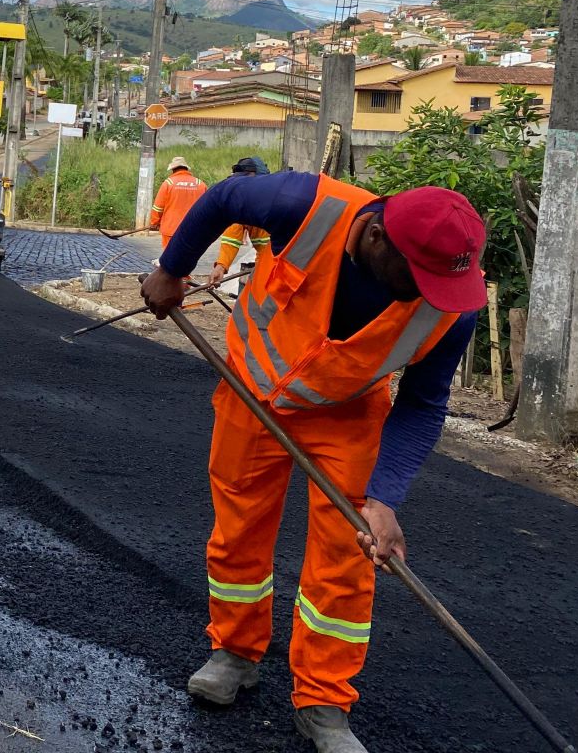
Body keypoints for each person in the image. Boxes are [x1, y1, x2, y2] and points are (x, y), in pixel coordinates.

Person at [140, 173, 486, 753]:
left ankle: (324, 700)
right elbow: (224, 197)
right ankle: (234, 652)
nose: (430, 295)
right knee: (239, 530)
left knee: (349, 556)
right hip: (252, 389)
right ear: (377, 237)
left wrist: (383, 499)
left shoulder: (452, 308)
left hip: (347, 412)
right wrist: (172, 270)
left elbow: (423, 406)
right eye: (418, 278)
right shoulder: (303, 204)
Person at [207, 156, 272, 288]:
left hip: (287, 262)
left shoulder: (274, 200)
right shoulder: (240, 203)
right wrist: (221, 266)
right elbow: (231, 239)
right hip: (265, 262)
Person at [149, 156, 207, 250]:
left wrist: (154, 223)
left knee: (169, 257)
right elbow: (207, 209)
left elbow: (158, 207)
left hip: (171, 229)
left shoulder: (168, 183)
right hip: (193, 230)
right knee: (188, 256)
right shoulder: (200, 184)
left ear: (173, 169)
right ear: (186, 168)